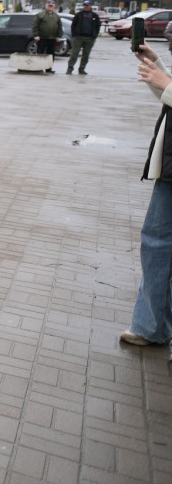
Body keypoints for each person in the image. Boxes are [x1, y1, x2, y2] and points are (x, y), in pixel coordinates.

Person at [120, 43, 172, 354]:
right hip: (169, 166)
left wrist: (167, 84)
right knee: (155, 243)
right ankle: (152, 326)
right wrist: (159, 71)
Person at [67, 0, 101, 75]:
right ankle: (70, 69)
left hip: (89, 38)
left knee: (86, 55)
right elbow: (73, 25)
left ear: (90, 6)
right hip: (78, 38)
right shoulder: (79, 15)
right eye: (84, 5)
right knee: (74, 54)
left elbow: (98, 26)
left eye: (87, 5)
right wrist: (74, 35)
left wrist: (94, 36)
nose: (85, 7)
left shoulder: (94, 16)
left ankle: (82, 69)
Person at [31, 0, 62, 74]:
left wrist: (59, 36)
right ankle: (38, 68)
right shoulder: (40, 15)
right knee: (40, 53)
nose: (50, 7)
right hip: (42, 37)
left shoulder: (56, 16)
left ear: (54, 6)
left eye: (52, 6)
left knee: (51, 54)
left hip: (52, 38)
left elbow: (59, 26)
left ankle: (49, 68)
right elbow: (35, 26)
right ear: (46, 6)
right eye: (49, 5)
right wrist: (36, 35)